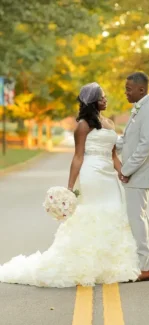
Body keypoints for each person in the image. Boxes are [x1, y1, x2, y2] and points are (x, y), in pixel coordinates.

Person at [0, 82, 140, 288]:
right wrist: (69, 188)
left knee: (114, 212)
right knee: (92, 214)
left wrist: (123, 173)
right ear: (92, 101)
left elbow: (113, 155)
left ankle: (110, 265)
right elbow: (77, 157)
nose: (105, 99)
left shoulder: (109, 123)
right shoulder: (82, 126)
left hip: (109, 176)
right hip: (91, 174)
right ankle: (86, 264)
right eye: (101, 97)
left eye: (105, 96)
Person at [117, 72, 149, 281]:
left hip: (140, 175)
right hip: (138, 175)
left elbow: (145, 146)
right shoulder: (141, 108)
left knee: (137, 220)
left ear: (141, 90)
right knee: (141, 219)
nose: (126, 92)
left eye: (128, 89)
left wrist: (125, 170)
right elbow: (129, 141)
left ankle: (144, 269)